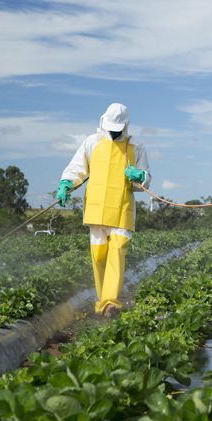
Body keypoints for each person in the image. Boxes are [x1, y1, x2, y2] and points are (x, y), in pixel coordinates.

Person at [55, 103, 151, 316]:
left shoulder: (135, 146)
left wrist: (139, 176)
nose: (114, 131)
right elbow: (77, 168)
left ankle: (110, 303)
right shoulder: (92, 142)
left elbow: (146, 180)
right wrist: (65, 185)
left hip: (121, 208)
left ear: (125, 126)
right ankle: (102, 303)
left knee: (117, 252)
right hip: (96, 209)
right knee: (98, 256)